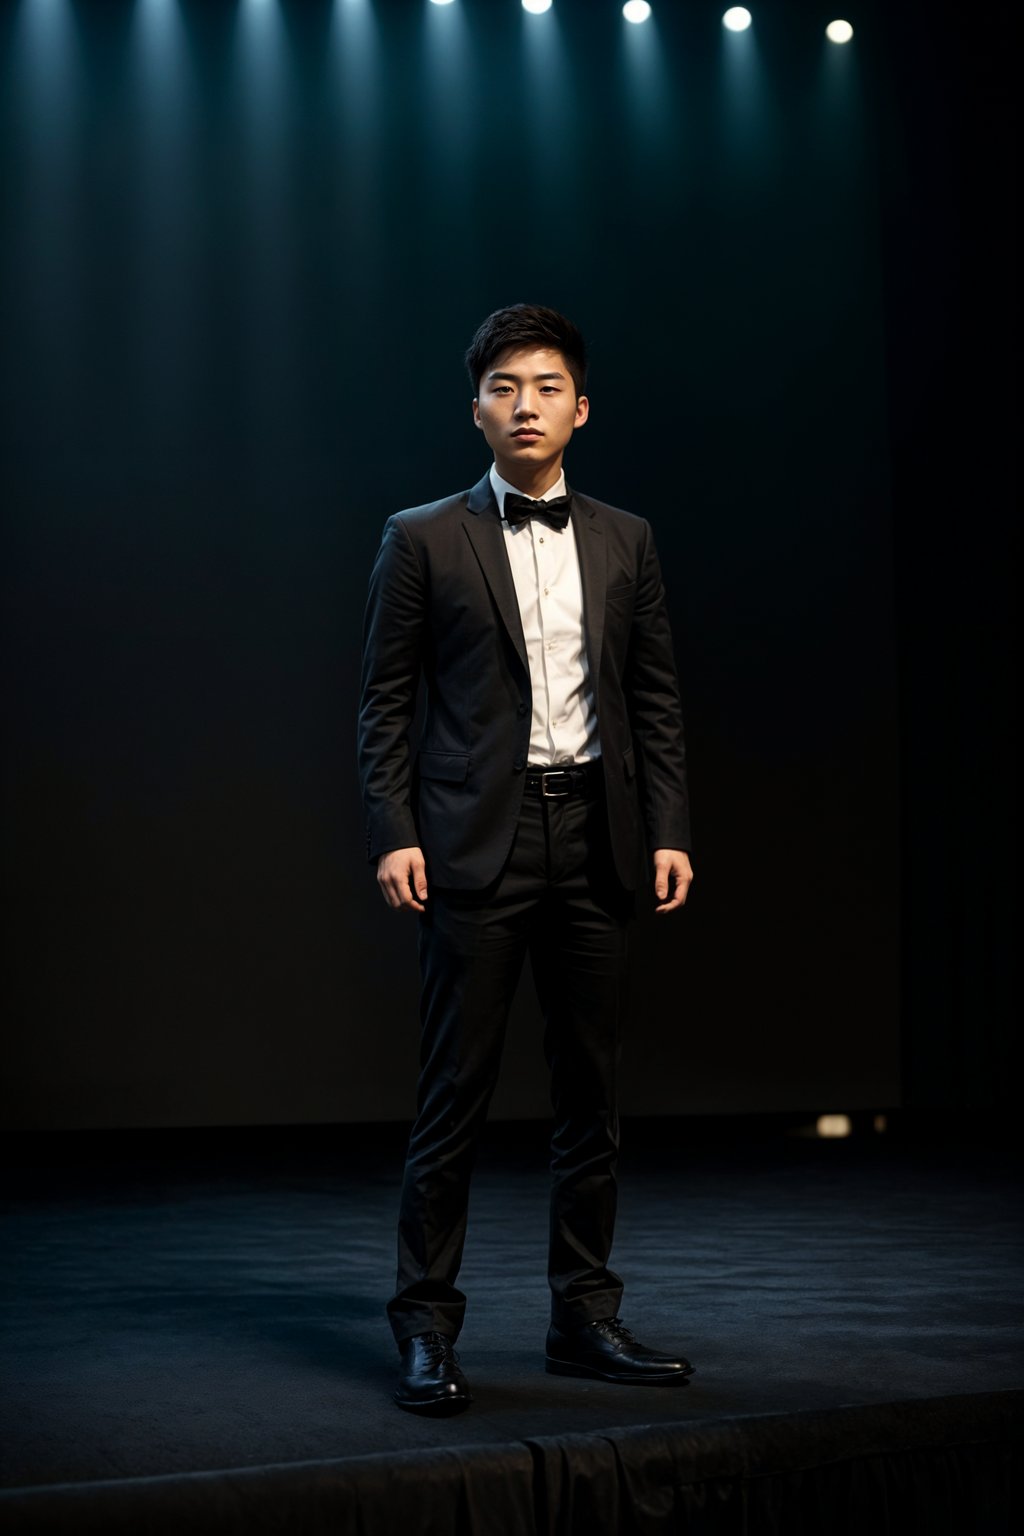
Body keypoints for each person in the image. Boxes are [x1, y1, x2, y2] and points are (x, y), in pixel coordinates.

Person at [358, 304, 694, 1415]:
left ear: (579, 408)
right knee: (453, 1097)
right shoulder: (421, 538)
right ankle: (424, 1329)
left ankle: (582, 1320)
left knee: (590, 1099)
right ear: (477, 409)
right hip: (472, 847)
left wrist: (669, 827)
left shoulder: (625, 538)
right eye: (504, 388)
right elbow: (383, 702)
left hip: (595, 842)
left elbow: (652, 698)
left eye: (545, 387)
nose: (525, 406)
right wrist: (397, 829)